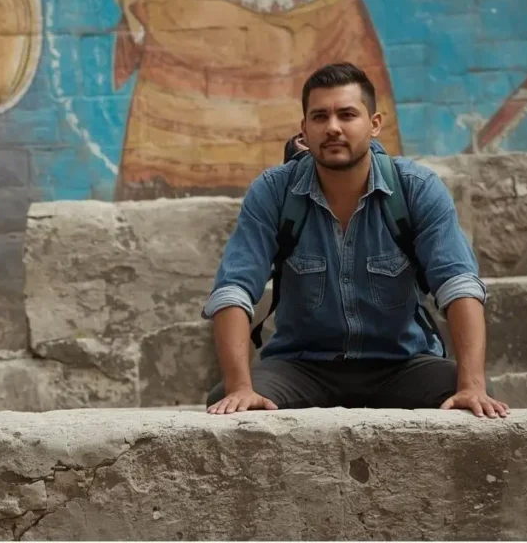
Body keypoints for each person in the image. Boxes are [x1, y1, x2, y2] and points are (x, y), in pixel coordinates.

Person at [203, 62, 510, 419]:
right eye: (319, 117)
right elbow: (233, 289)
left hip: (402, 365)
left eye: (347, 115)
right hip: (302, 366)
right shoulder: (274, 192)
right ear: (304, 128)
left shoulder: (416, 188)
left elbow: (458, 285)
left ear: (374, 124)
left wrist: (471, 385)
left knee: (477, 400)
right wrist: (241, 387)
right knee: (227, 400)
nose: (333, 127)